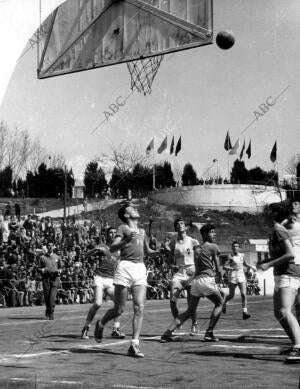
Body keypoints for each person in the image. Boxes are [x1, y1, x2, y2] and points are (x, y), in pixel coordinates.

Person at [94, 202, 158, 358]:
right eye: (132, 208)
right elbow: (112, 248)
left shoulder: (142, 231)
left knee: (139, 307)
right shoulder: (123, 228)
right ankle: (101, 324)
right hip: (125, 267)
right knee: (119, 309)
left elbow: (147, 252)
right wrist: (126, 240)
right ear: (127, 215)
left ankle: (134, 344)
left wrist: (160, 252)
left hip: (140, 268)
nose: (136, 208)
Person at [161, 223, 224, 343]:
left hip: (195, 282)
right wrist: (219, 280)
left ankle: (167, 333)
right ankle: (209, 332)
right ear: (205, 234)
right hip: (206, 280)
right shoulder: (214, 247)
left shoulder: (197, 248)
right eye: (211, 232)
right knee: (220, 303)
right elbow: (218, 268)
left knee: (190, 311)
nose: (214, 234)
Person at [258, 202, 300, 363]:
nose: (263, 215)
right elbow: (280, 254)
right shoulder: (275, 231)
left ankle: (298, 346)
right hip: (280, 273)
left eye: (266, 213)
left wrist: (268, 264)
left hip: (289, 273)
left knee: (285, 311)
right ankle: (295, 343)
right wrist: (267, 262)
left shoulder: (278, 230)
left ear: (273, 215)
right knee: (279, 313)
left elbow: (290, 254)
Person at [81, 236, 125, 340]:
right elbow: (85, 256)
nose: (113, 234)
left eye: (115, 233)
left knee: (118, 305)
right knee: (97, 303)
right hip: (100, 278)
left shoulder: (119, 250)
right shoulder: (103, 247)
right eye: (110, 233)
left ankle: (115, 329)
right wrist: (95, 250)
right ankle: (86, 328)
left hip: (111, 279)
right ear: (107, 234)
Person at [166, 218, 200, 335]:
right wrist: (172, 266)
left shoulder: (193, 241)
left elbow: (198, 258)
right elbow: (169, 260)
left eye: (182, 223)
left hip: (191, 272)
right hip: (179, 274)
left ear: (185, 227)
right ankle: (177, 323)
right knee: (172, 300)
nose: (180, 225)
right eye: (177, 224)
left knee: (191, 303)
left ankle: (194, 324)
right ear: (175, 228)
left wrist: (196, 270)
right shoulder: (173, 243)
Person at [222, 241, 256, 319]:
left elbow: (245, 264)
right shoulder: (230, 256)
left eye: (236, 246)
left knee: (243, 294)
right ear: (232, 248)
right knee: (231, 295)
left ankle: (244, 312)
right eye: (233, 246)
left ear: (238, 247)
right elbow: (224, 267)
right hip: (233, 277)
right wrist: (231, 268)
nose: (235, 248)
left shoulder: (242, 255)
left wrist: (252, 267)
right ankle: (224, 303)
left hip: (241, 276)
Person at [282, 197, 300, 325]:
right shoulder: (286, 222)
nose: (293, 205)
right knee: (297, 299)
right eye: (292, 204)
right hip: (294, 262)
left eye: (296, 203)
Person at [38, 242, 60, 320]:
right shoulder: (42, 257)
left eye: (51, 246)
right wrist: (42, 270)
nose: (50, 247)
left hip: (55, 278)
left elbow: (61, 267)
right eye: (49, 246)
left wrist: (60, 271)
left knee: (52, 298)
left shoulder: (57, 257)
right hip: (46, 279)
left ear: (53, 247)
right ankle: (48, 309)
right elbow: (38, 268)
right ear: (47, 247)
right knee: (47, 297)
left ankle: (51, 313)